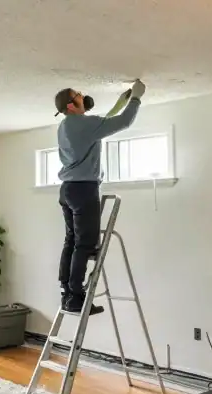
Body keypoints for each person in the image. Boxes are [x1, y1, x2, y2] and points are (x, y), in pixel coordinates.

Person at [53, 79, 146, 314]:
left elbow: (102, 122)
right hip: (84, 190)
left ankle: (66, 292)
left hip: (67, 189)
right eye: (79, 96)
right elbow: (123, 122)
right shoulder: (85, 125)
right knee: (84, 244)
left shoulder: (66, 125)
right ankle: (76, 297)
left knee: (72, 241)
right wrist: (136, 97)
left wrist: (120, 102)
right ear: (71, 106)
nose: (83, 97)